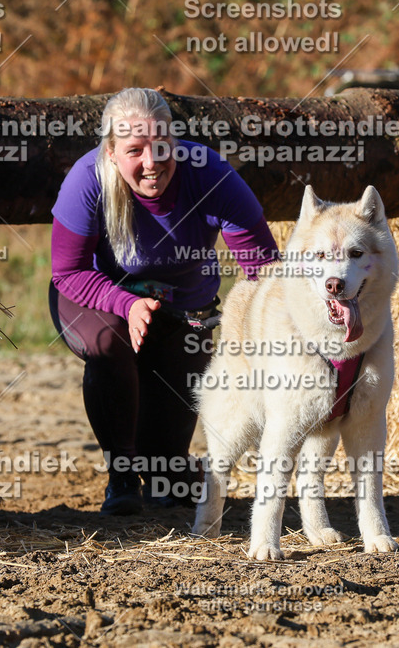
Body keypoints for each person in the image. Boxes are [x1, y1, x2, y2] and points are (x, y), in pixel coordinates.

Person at [49, 87, 279, 515]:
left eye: (161, 146)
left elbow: (264, 270)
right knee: (109, 343)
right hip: (96, 301)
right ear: (112, 152)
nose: (151, 163)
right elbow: (67, 272)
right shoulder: (87, 179)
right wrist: (125, 303)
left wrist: (269, 342)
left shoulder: (210, 172)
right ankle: (120, 479)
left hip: (184, 316)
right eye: (135, 150)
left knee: (166, 473)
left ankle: (171, 474)